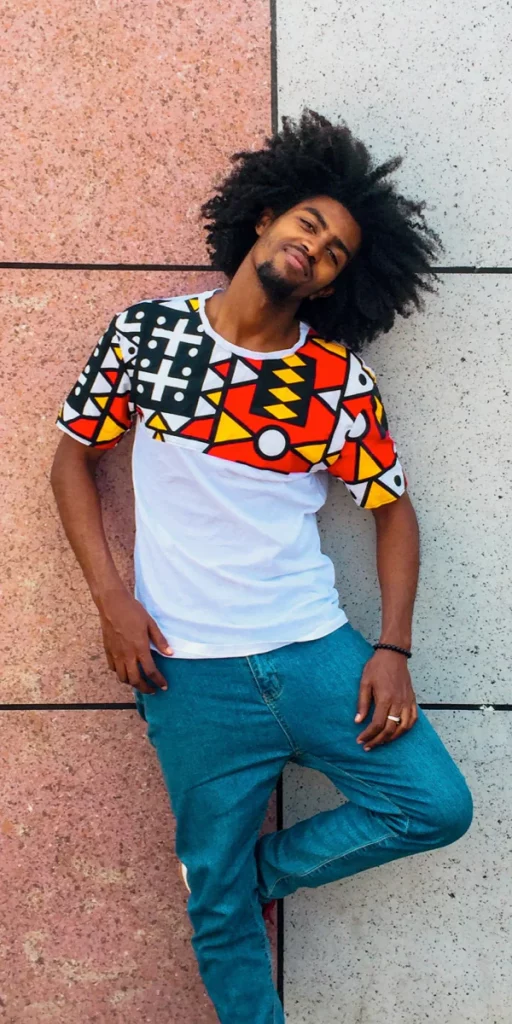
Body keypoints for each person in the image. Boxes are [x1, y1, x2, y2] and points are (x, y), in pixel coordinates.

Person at [50, 109, 473, 1023]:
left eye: (335, 251)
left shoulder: (338, 382)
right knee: (217, 916)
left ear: (336, 282)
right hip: (188, 673)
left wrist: (393, 646)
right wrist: (110, 599)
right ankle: (229, 887)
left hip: (315, 652)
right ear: (265, 217)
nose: (314, 248)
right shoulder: (148, 334)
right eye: (309, 224)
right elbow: (73, 460)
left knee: (435, 806)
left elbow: (393, 513)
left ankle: (255, 872)